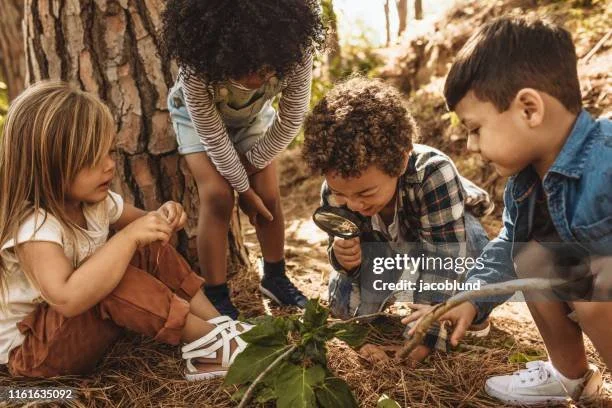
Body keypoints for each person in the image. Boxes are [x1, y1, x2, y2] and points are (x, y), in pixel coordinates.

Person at [0, 81, 250, 380]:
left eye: (110, 152)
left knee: (144, 246)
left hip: (68, 334)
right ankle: (211, 345)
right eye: (93, 159)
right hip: (32, 357)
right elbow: (67, 299)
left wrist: (163, 216)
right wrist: (128, 238)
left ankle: (219, 326)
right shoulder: (35, 228)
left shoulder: (94, 203)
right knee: (113, 276)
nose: (109, 166)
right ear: (48, 166)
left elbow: (146, 225)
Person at [424, 16, 611, 405]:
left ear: (529, 109)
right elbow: (507, 247)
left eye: (475, 129)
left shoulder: (606, 158)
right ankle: (570, 378)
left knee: (595, 289)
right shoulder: (525, 188)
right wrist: (471, 298)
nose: (472, 146)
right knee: (530, 257)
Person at [302, 77, 494, 363]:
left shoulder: (433, 173)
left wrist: (424, 337)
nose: (354, 204)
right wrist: (345, 259)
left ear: (401, 161)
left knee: (473, 241)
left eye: (367, 192)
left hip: (442, 242)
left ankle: (473, 313)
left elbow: (442, 259)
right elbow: (339, 248)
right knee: (344, 306)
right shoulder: (337, 189)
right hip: (387, 249)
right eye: (342, 194)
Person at [161, 0, 326, 318]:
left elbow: (290, 120)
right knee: (218, 195)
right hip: (197, 122)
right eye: (244, 68)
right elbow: (212, 137)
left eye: (265, 70)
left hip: (252, 120)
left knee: (268, 195)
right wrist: (241, 189)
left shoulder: (296, 51)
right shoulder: (198, 69)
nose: (255, 79)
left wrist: (251, 173)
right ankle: (216, 293)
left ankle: (276, 278)